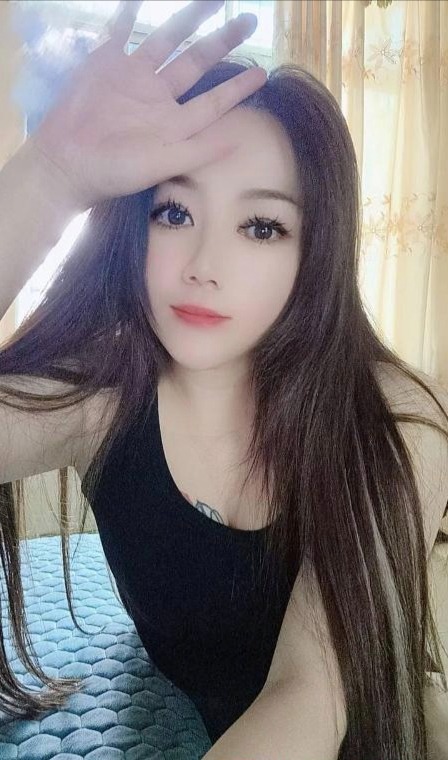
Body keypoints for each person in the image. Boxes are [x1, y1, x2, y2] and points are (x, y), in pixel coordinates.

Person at [1, 0, 448, 757]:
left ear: (317, 252)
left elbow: (313, 692)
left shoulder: (394, 416)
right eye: (175, 213)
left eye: (262, 226)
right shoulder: (104, 396)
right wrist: (49, 175)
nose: (204, 265)